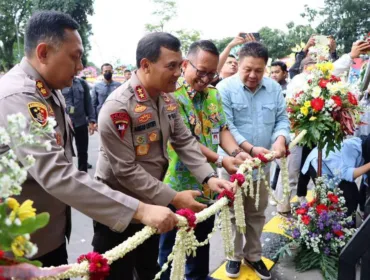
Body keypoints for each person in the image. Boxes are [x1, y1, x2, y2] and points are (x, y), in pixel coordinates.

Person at [0, 11, 178, 269]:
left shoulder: (49, 90)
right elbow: (57, 174)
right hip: (18, 248)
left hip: (43, 237)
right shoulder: (20, 96)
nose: (81, 66)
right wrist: (140, 210)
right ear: (43, 53)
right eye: (75, 56)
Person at [94, 32, 234, 280]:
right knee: (119, 273)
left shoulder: (166, 99)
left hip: (152, 204)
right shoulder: (119, 107)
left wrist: (209, 178)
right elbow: (124, 170)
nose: (178, 73)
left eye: (179, 65)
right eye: (171, 66)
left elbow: (184, 141)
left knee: (150, 269)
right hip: (118, 210)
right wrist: (174, 198)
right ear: (146, 65)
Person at [159, 40, 250, 280]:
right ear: (186, 64)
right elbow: (185, 142)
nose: (206, 78)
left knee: (202, 239)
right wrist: (221, 159)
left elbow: (222, 130)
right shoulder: (170, 96)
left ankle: (198, 277)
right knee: (171, 247)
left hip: (208, 183)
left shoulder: (213, 95)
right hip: (175, 186)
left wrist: (234, 153)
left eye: (212, 73)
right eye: (202, 71)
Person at [217, 41, 290, 280]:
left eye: (259, 70)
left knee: (257, 213)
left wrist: (280, 139)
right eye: (247, 69)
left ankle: (254, 254)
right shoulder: (224, 89)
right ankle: (234, 256)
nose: (252, 75)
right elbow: (227, 126)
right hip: (234, 167)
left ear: (266, 68)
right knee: (233, 214)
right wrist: (249, 148)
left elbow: (282, 119)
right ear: (238, 64)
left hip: (263, 166)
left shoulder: (274, 89)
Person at [302, 136, 370, 218]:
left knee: (352, 193)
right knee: (346, 197)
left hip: (336, 167)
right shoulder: (352, 148)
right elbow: (347, 174)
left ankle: (350, 222)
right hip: (319, 163)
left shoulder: (364, 147)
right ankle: (343, 226)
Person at [62, 76, 96, 172]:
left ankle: (83, 174)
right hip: (66, 123)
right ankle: (67, 176)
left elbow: (88, 102)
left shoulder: (82, 83)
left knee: (82, 151)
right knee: (65, 151)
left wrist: (91, 120)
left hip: (80, 122)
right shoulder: (59, 81)